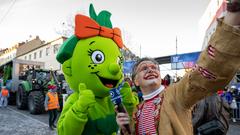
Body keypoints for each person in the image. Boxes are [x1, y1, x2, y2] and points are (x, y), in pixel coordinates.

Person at [116, 1, 240, 134]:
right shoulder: (137, 110)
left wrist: (232, 16)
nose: (151, 69)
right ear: (136, 81)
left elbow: (201, 76)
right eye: (144, 68)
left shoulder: (175, 94)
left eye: (154, 68)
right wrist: (125, 128)